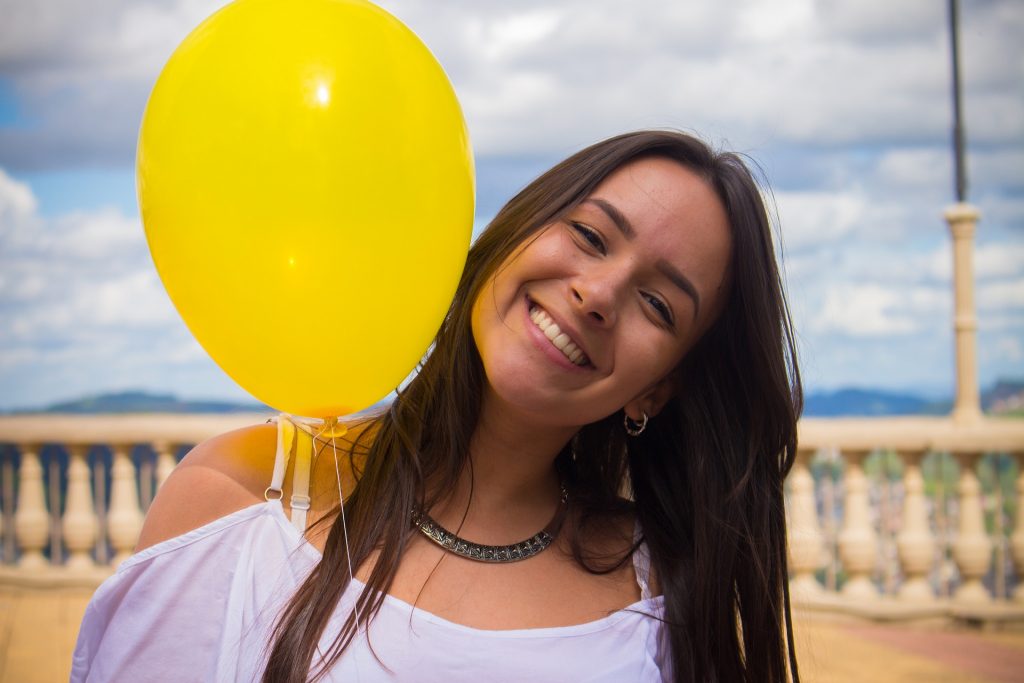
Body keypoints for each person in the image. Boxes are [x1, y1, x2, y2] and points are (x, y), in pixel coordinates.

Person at [71, 130, 802, 682]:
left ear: (655, 389)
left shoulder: (654, 604)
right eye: (588, 234)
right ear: (515, 229)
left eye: (657, 302)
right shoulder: (238, 503)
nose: (598, 293)